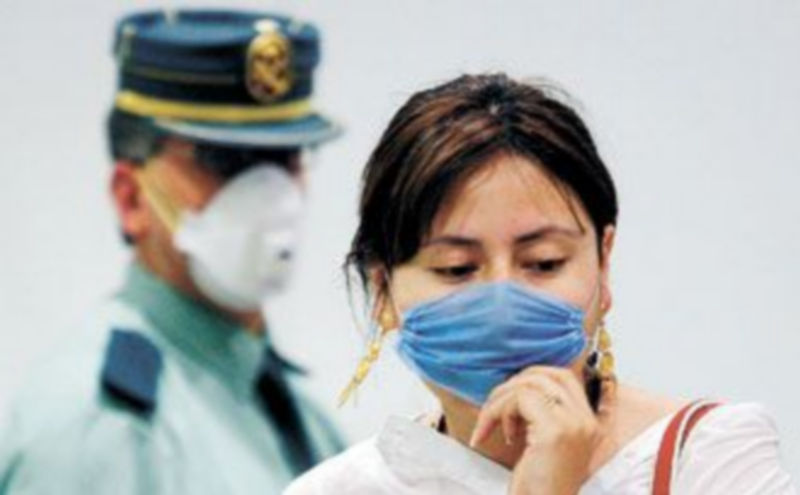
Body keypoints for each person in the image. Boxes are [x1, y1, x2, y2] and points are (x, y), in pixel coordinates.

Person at [285, 74, 796, 494]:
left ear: (604, 262)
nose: (503, 303)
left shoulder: (707, 460)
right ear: (382, 291)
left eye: (544, 262)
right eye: (457, 269)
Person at [0, 9, 344, 495]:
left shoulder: (296, 413)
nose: (271, 192)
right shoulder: (99, 431)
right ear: (131, 197)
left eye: (287, 159)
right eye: (224, 160)